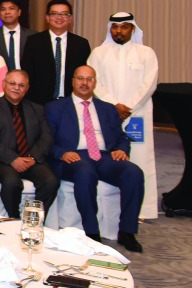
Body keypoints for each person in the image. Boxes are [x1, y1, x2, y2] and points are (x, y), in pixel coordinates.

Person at [45, 66, 144, 252]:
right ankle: (91, 232)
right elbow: (46, 138)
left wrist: (120, 150)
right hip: (73, 156)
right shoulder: (55, 108)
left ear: (95, 83)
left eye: (89, 79)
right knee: (85, 171)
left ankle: (127, 231)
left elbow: (122, 137)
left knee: (133, 172)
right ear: (73, 81)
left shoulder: (107, 108)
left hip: (104, 156)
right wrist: (61, 153)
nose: (84, 83)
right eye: (80, 78)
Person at [87, 12, 159, 219]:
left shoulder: (146, 53)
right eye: (115, 27)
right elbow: (93, 82)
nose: (119, 31)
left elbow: (149, 84)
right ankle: (109, 208)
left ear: (133, 29)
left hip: (137, 115)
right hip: (106, 113)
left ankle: (141, 210)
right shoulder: (99, 53)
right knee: (106, 155)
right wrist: (113, 106)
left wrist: (129, 107)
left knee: (139, 157)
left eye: (124, 27)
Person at [0, 70, 58, 218]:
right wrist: (13, 159)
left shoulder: (37, 109)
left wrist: (32, 157)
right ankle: (14, 218)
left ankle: (34, 220)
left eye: (21, 85)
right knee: (12, 182)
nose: (17, 88)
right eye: (13, 83)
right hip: (1, 161)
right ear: (4, 85)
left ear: (27, 88)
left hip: (31, 160)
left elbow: (46, 137)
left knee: (50, 181)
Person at [22, 0, 91, 104]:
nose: (59, 17)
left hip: (71, 102)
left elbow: (85, 75)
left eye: (64, 14)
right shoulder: (34, 41)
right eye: (54, 14)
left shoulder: (81, 44)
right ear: (47, 18)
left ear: (70, 19)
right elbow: (27, 73)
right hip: (39, 103)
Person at [0, 0, 36, 71]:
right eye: (3, 9)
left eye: (11, 8)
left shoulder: (33, 36)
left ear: (19, 12)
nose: (7, 12)